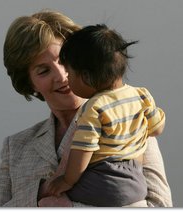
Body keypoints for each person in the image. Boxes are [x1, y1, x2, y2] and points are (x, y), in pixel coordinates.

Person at [0, 9, 172, 207]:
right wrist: (39, 194)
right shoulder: (15, 147)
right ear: (30, 83)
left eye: (64, 61)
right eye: (43, 70)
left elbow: (160, 205)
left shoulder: (131, 120)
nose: (61, 76)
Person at [46, 24, 165, 207]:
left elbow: (83, 151)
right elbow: (156, 129)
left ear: (85, 76)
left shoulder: (94, 108)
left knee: (54, 199)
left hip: (104, 184)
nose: (66, 80)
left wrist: (67, 181)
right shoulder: (142, 95)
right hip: (137, 183)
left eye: (69, 74)